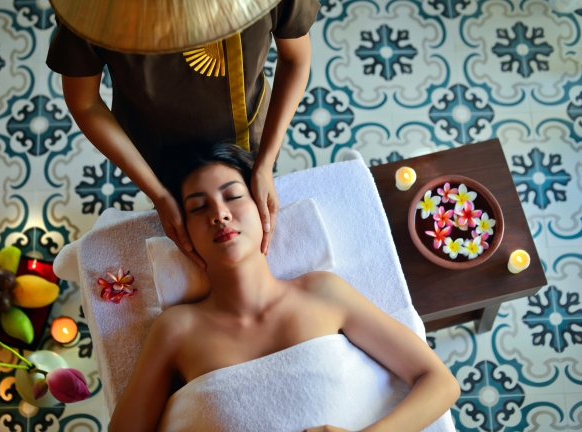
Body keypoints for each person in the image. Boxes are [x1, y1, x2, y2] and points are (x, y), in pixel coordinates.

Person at [108, 143, 461, 431]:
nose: (219, 214)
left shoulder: (322, 292)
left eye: (233, 197)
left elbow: (438, 381)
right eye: (199, 208)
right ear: (182, 233)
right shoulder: (176, 329)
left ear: (264, 208)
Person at [47, 0, 320, 268]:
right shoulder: (92, 7)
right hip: (160, 154)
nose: (222, 217)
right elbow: (85, 103)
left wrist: (264, 164)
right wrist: (158, 194)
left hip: (249, 135)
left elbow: (296, 59)